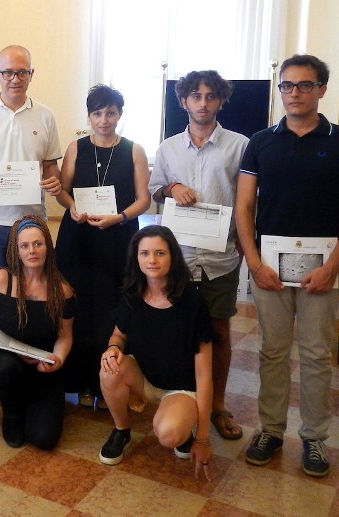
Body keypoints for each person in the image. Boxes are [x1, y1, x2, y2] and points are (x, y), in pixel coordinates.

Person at [235, 54, 339, 477]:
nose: (294, 93)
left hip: (323, 271)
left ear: (321, 90)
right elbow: (244, 207)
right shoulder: (259, 141)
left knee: (316, 354)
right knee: (272, 352)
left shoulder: (337, 141)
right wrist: (254, 263)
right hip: (270, 270)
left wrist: (333, 267)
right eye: (287, 85)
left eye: (304, 85)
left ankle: (314, 439)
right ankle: (272, 430)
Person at [0, 44, 63, 410]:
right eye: (8, 72)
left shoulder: (46, 116)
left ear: (31, 75)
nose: (15, 79)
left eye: (23, 72)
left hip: (31, 223)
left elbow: (50, 167)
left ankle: (36, 366)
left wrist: (53, 183)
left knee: (35, 296)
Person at [150, 70, 249, 441]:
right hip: (177, 258)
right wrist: (172, 186)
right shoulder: (168, 148)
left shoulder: (240, 146)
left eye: (210, 96)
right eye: (195, 96)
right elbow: (155, 189)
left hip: (219, 258)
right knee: (177, 332)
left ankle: (218, 406)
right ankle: (181, 400)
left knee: (219, 333)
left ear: (221, 100)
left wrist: (245, 243)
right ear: (183, 101)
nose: (203, 103)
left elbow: (247, 199)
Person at [54, 84, 150, 408]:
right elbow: (62, 193)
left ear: (119, 114)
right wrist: (72, 207)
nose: (104, 119)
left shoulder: (134, 150)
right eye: (98, 113)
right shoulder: (76, 148)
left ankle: (105, 384)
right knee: (76, 307)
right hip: (78, 237)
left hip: (118, 236)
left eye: (110, 113)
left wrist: (120, 217)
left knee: (112, 306)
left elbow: (144, 199)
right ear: (90, 115)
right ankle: (76, 382)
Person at [98, 225, 213, 481]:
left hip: (181, 388)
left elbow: (204, 375)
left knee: (169, 433)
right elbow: (119, 334)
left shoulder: (192, 302)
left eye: (160, 253)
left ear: (172, 256)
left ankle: (184, 428)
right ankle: (121, 431)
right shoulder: (132, 294)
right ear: (136, 258)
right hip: (145, 377)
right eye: (145, 253)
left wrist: (204, 438)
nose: (151, 260)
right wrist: (113, 349)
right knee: (109, 369)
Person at [0, 215, 74, 449]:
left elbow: (64, 335)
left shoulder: (63, 291)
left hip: (45, 365)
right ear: (16, 250)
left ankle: (33, 400)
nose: (32, 250)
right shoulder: (0, 280)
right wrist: (17, 351)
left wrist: (58, 359)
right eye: (25, 245)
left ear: (47, 248)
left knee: (44, 439)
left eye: (38, 244)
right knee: (4, 367)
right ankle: (11, 413)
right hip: (8, 358)